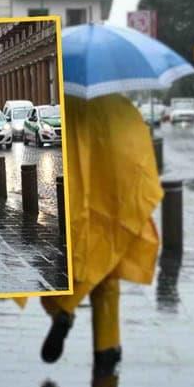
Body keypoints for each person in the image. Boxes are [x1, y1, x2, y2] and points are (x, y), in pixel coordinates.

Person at [35, 93, 163, 371]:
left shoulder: (71, 105)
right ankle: (105, 347)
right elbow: (140, 159)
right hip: (117, 202)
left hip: (83, 202)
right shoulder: (122, 108)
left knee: (88, 261)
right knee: (109, 271)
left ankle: (65, 311)